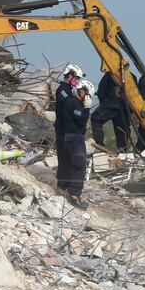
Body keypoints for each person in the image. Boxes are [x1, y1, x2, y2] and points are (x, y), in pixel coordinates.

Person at [60, 79, 94, 208]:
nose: (87, 97)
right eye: (87, 94)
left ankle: (70, 188)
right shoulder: (73, 102)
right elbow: (81, 120)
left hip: (73, 136)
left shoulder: (72, 101)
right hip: (74, 137)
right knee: (79, 164)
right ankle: (73, 192)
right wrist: (87, 108)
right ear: (82, 90)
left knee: (73, 163)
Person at [53, 64, 84, 191]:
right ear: (69, 75)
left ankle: (64, 183)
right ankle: (63, 184)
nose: (76, 81)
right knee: (65, 157)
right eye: (75, 78)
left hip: (65, 128)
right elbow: (69, 104)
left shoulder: (68, 90)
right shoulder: (62, 90)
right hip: (62, 128)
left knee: (66, 157)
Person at [90, 72, 133, 152]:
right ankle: (123, 151)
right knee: (122, 130)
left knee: (96, 118)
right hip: (125, 109)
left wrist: (103, 104)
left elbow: (101, 92)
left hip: (110, 104)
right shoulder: (131, 76)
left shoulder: (109, 74)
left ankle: (99, 144)